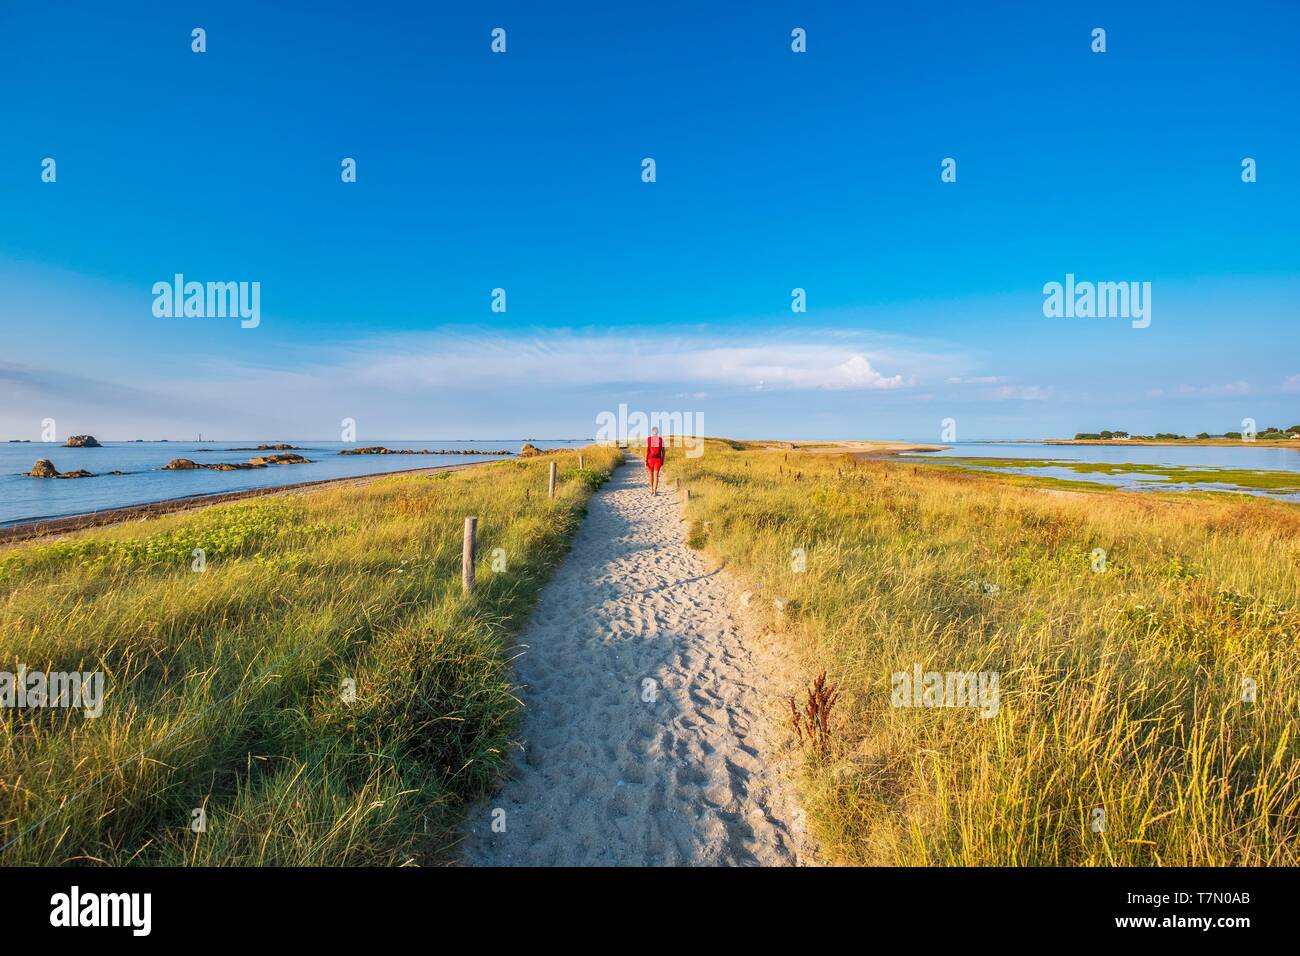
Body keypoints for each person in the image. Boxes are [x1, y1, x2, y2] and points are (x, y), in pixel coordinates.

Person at [645, 427, 665, 495]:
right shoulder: (661, 440)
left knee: (650, 475)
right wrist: (663, 459)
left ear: (652, 432)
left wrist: (645, 460)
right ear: (657, 432)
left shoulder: (649, 439)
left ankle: (651, 489)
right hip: (658, 459)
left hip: (650, 459)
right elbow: (663, 451)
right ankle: (655, 491)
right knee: (656, 475)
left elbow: (647, 450)